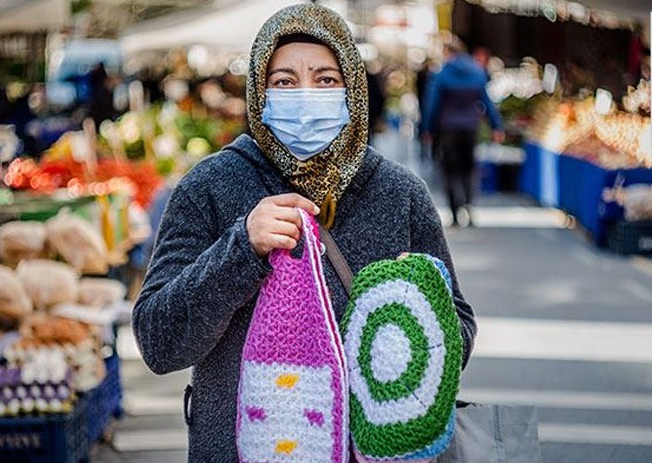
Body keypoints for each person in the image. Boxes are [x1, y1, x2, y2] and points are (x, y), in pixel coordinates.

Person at [132, 5, 476, 462]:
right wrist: (240, 249)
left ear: (352, 89)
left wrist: (407, 316)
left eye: (326, 79)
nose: (306, 94)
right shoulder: (208, 188)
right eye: (285, 82)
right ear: (259, 91)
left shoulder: (398, 193)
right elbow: (158, 341)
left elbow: (458, 324)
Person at [423, 36, 504, 227]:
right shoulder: (477, 71)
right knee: (469, 168)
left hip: (448, 127)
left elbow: (432, 103)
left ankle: (454, 211)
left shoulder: (442, 72)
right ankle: (469, 204)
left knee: (450, 170)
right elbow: (487, 101)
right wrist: (496, 126)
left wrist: (427, 128)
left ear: (449, 52)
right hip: (470, 126)